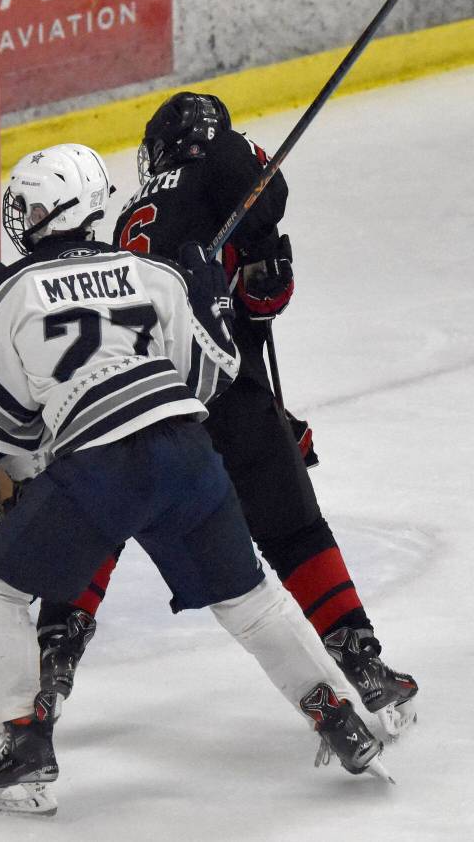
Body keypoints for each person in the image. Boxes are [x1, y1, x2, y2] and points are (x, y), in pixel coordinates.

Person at [0, 144, 389, 816]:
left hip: (98, 465)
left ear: (58, 213)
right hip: (190, 455)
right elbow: (209, 378)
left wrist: (34, 468)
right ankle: (338, 714)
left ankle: (24, 740)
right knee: (249, 604)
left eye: (34, 205)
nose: (25, 216)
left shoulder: (6, 292)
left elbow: (9, 423)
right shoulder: (154, 274)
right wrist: (213, 302)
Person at [111, 93, 418, 735]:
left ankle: (51, 670)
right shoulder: (222, 167)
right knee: (293, 529)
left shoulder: (130, 215)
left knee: (96, 522)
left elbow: (247, 295)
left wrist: (257, 278)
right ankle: (361, 659)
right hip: (222, 392)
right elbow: (266, 213)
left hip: (133, 397)